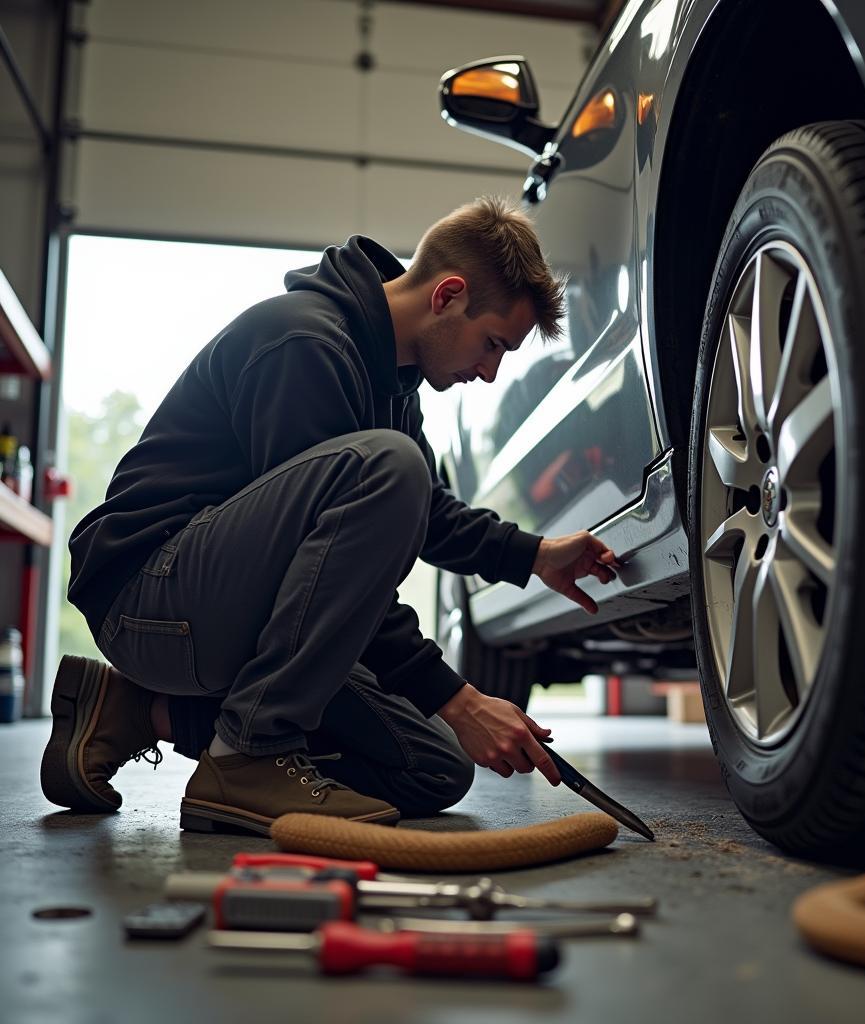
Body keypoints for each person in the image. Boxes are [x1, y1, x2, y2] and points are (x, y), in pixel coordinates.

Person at [41, 196, 619, 836]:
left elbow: (425, 514)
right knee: (390, 465)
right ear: (448, 295)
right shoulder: (304, 343)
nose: (489, 373)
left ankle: (136, 713)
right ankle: (247, 755)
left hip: (224, 606)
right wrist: (459, 698)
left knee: (432, 768)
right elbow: (331, 561)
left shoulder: (392, 382)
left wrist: (534, 557)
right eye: (492, 345)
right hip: (151, 597)